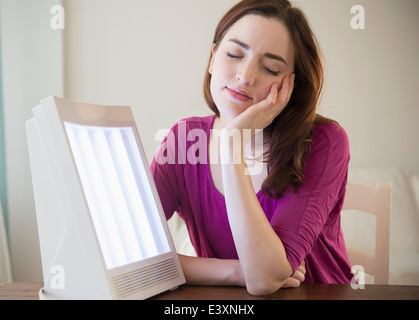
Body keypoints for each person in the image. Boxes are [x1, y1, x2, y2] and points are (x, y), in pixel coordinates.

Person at [151, 0, 353, 296]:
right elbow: (127, 256)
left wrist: (232, 143)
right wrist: (234, 271)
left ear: (291, 86)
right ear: (212, 59)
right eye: (234, 54)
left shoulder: (324, 141)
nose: (246, 75)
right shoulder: (184, 139)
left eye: (270, 68)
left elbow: (264, 280)